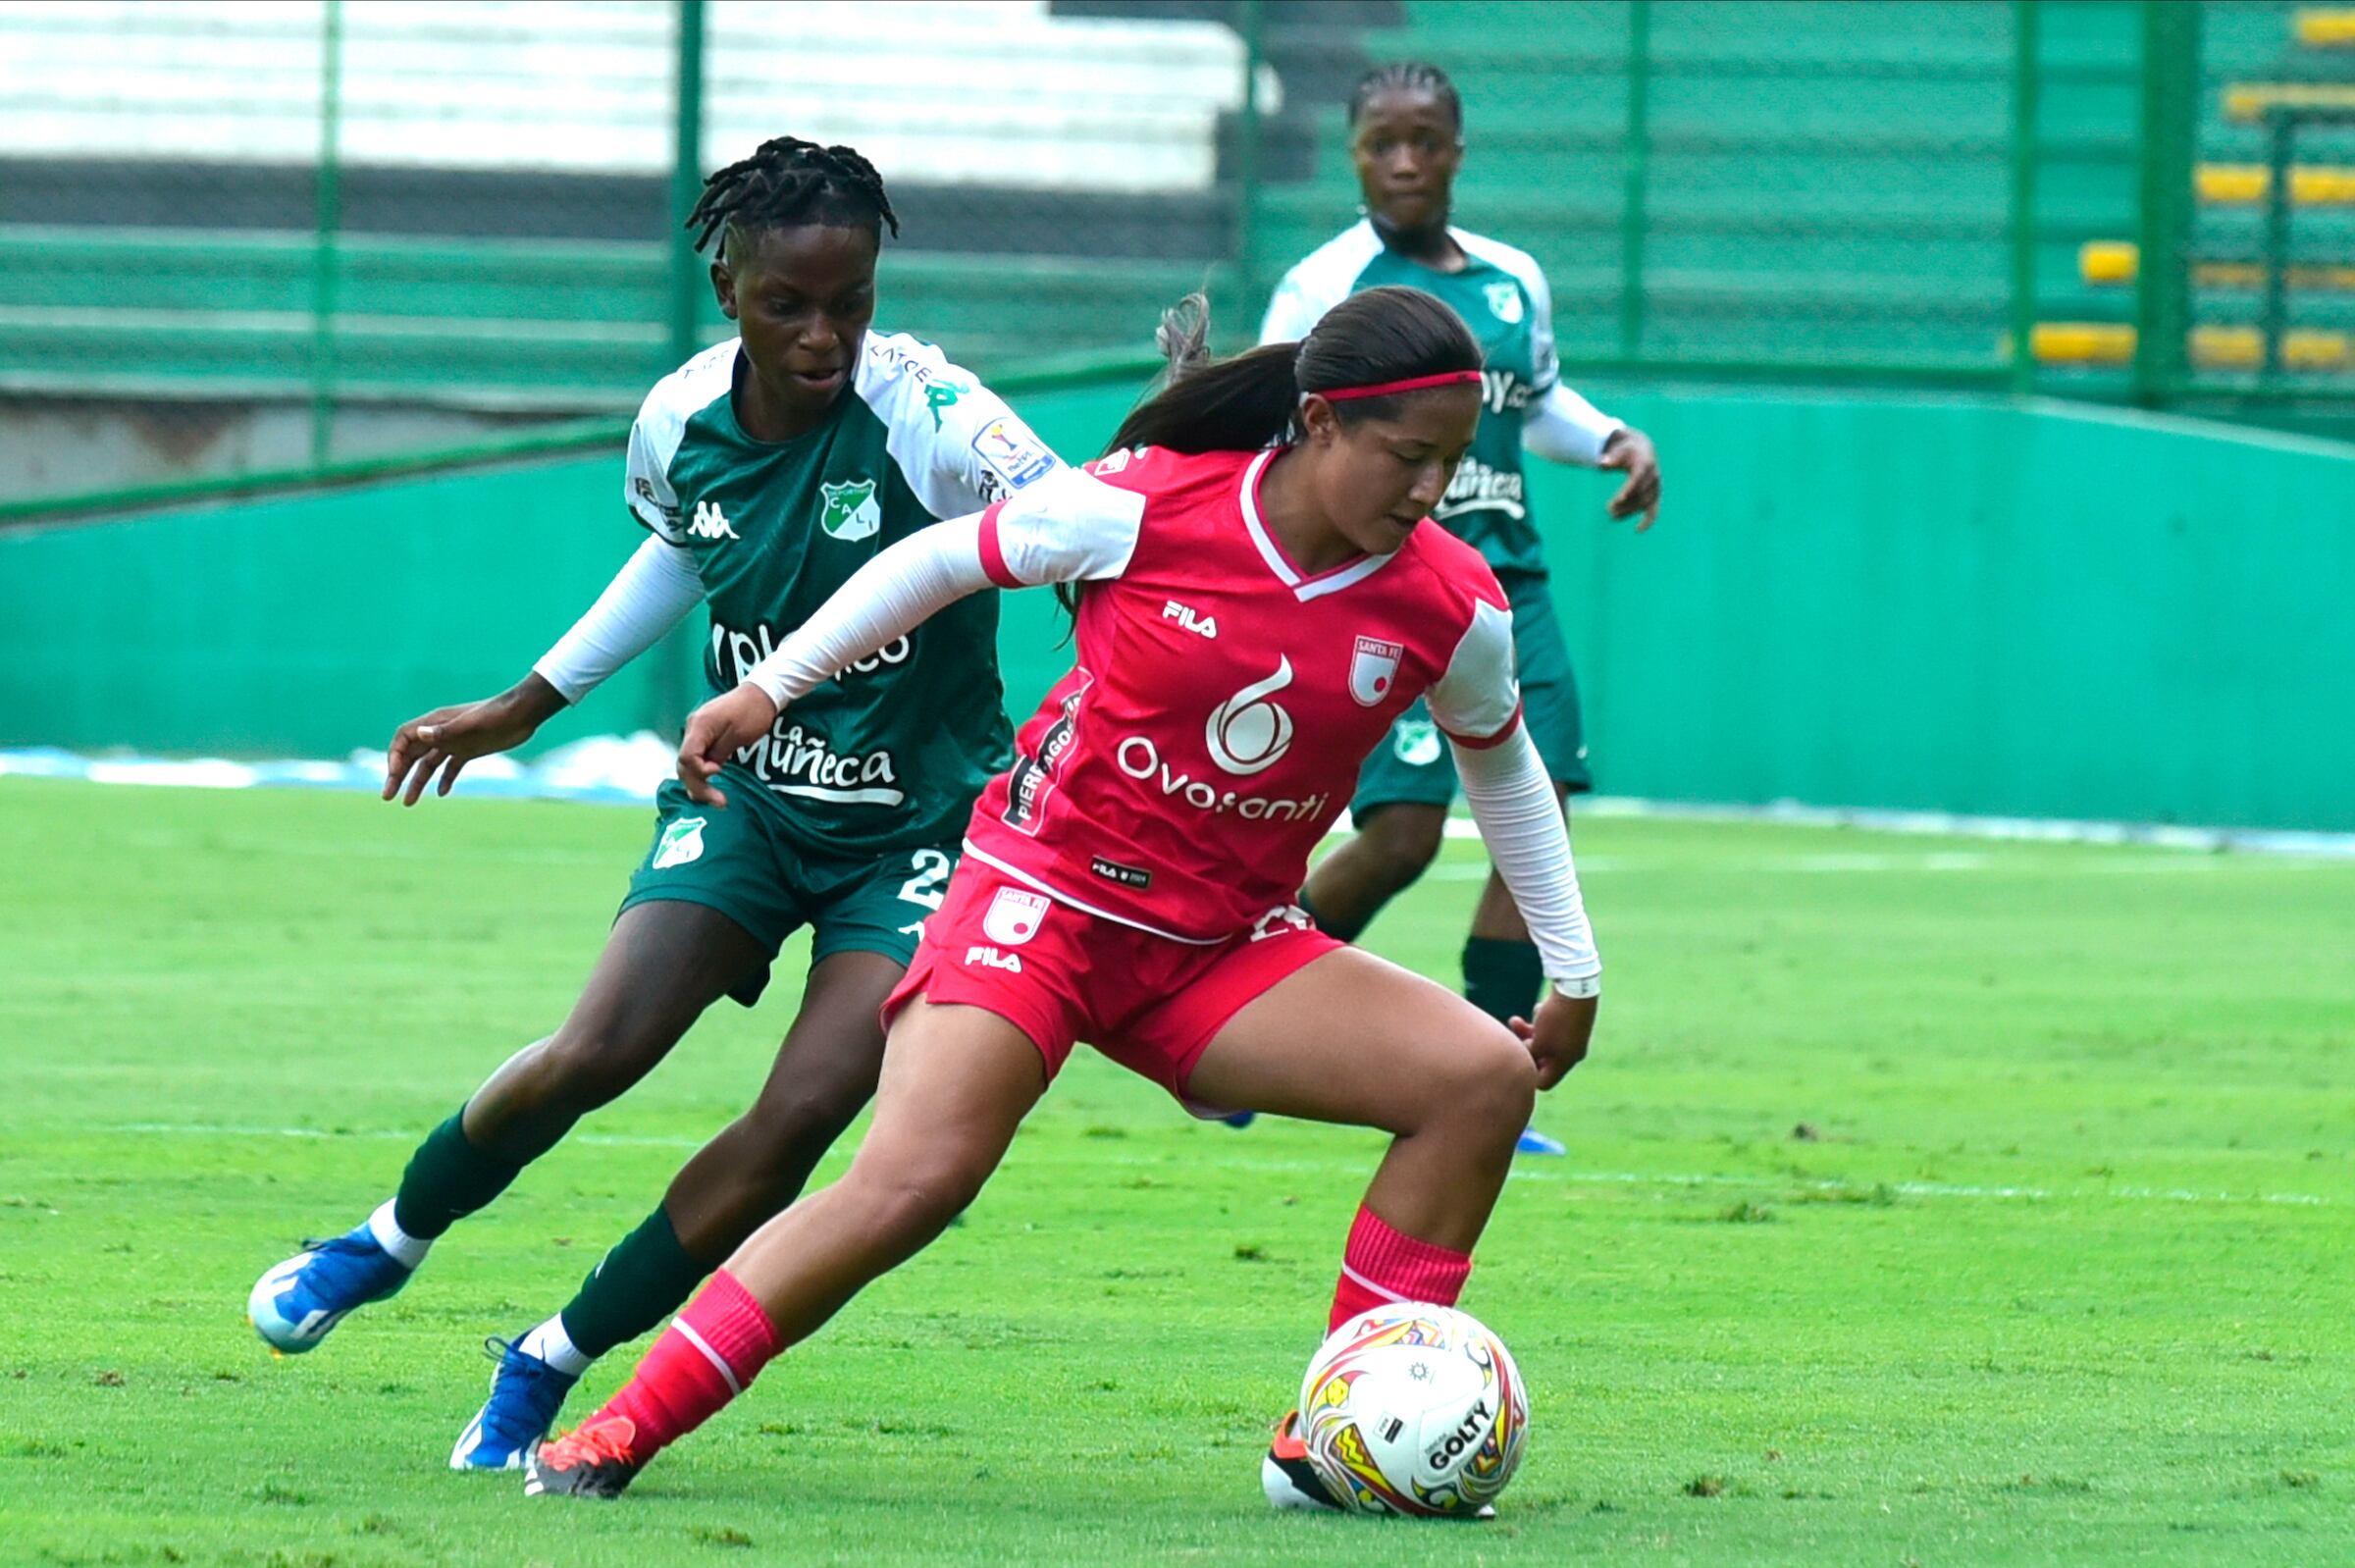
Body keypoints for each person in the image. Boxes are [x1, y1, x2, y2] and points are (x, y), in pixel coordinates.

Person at [520, 285, 1604, 1512]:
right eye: (1408, 457)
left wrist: (1573, 969)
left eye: (1452, 464)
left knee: (1480, 1080)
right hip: (1037, 907)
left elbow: (1502, 765)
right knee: (913, 1181)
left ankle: (1329, 1435)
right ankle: (620, 1427)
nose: (1428, 492)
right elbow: (937, 558)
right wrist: (771, 688)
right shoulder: (1140, 504)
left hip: (1221, 953)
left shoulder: (1449, 602)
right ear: (1315, 423)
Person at [245, 137, 1069, 1470]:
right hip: (745, 795)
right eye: (787, 303)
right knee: (595, 1051)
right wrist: (527, 702)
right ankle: (384, 1240)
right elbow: (687, 548)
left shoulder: (936, 415)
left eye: (848, 301)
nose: (824, 333)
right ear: (726, 284)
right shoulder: (679, 418)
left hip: (919, 831)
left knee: (804, 1114)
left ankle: (547, 1359)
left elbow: (1079, 526)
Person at [1258, 64, 1662, 1155]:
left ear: (1456, 151)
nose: (1402, 161)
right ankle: (1244, 1017)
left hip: (1509, 585)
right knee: (1398, 836)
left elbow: (1537, 400)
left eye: (1423, 141)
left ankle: (1492, 1066)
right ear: (1352, 154)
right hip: (1391, 583)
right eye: (1380, 142)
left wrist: (1613, 439)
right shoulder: (1323, 284)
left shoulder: (1511, 278)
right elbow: (1273, 419)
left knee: (1544, 810)